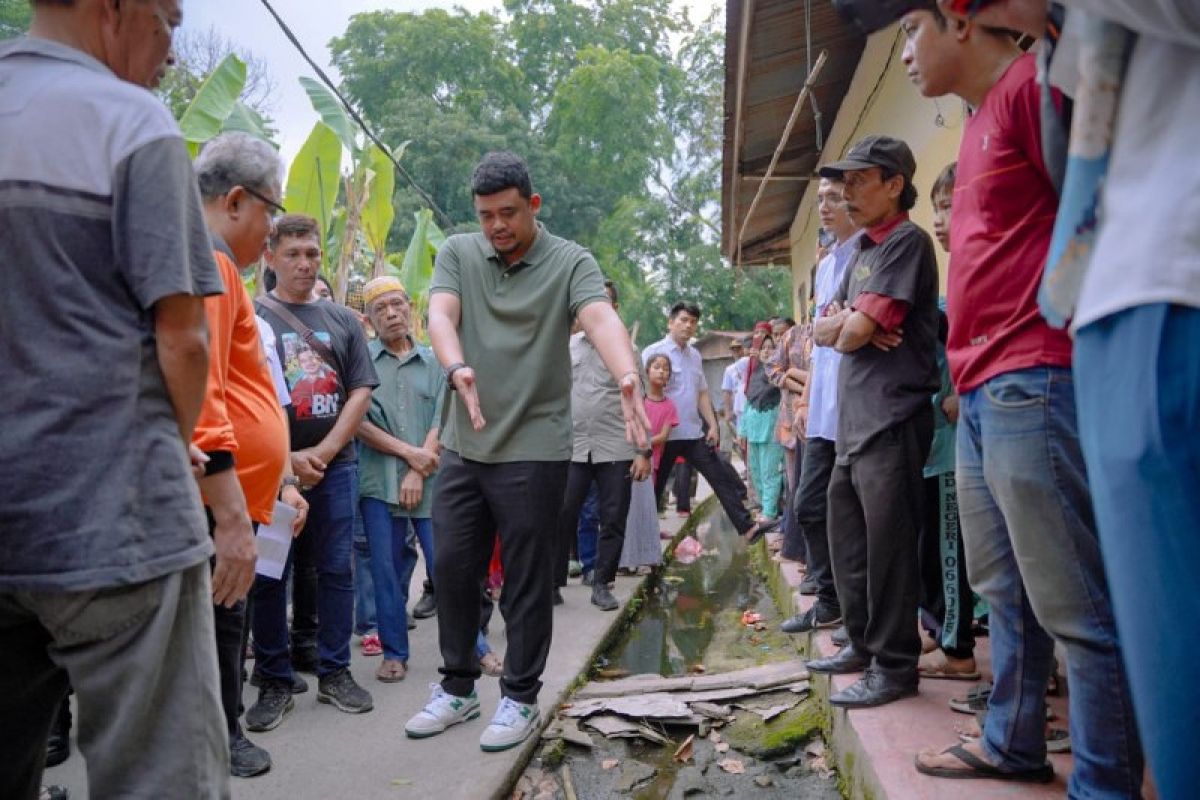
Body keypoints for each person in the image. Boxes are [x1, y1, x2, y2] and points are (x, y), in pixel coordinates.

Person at [901, 8, 1144, 791]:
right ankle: (1013, 739)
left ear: (963, 21)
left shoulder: (1032, 93)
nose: (906, 53)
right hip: (979, 386)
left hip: (1034, 372)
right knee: (1004, 586)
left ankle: (1104, 781)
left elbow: (1097, 215)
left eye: (912, 29)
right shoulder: (976, 122)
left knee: (1076, 602)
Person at [0, 2, 232, 797]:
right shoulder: (130, 123)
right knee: (161, 775)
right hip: (114, 517)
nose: (172, 47)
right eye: (166, 20)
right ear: (115, 9)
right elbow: (184, 337)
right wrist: (172, 442)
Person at [404, 151, 649, 752]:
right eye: (486, 215)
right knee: (454, 571)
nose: (496, 227)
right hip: (467, 442)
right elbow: (439, 313)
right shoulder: (461, 252)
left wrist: (625, 375)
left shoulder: (570, 262)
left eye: (508, 213)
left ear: (533, 205)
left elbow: (599, 317)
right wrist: (456, 364)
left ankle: (519, 697)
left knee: (527, 582)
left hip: (536, 449)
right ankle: (459, 687)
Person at [805, 135, 939, 710]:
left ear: (894, 184)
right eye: (846, 181)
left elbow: (854, 332)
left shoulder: (906, 243)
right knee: (849, 540)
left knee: (888, 549)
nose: (849, 191)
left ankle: (895, 665)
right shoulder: (860, 251)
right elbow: (822, 326)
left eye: (861, 180)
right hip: (853, 424)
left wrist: (852, 324)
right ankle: (860, 643)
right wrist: (846, 322)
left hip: (891, 417)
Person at [193, 132, 311, 778]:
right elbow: (204, 390)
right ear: (236, 201)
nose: (270, 229)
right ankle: (219, 740)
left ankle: (220, 734)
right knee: (216, 627)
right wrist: (233, 513)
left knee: (224, 622)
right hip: (220, 497)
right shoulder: (209, 264)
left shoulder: (218, 268)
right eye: (270, 210)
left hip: (237, 491)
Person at [248, 214, 379, 731]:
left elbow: (361, 391)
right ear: (270, 258)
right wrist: (287, 462)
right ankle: (275, 679)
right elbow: (252, 396)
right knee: (269, 573)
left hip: (336, 469)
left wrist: (323, 451)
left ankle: (335, 672)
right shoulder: (252, 317)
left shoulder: (343, 320)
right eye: (293, 254)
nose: (304, 264)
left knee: (335, 570)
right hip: (270, 472)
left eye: (312, 254)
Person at [778, 177, 861, 633]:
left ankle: (849, 606)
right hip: (823, 412)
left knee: (850, 515)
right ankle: (830, 598)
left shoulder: (868, 255)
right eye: (821, 200)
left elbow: (856, 330)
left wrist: (842, 325)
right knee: (809, 505)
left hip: (855, 411)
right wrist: (808, 398)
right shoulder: (829, 268)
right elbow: (821, 345)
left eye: (833, 198)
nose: (825, 209)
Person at [356, 276, 444, 683]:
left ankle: (473, 646)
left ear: (411, 307)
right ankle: (394, 652)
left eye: (396, 305)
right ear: (370, 320)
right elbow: (359, 423)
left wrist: (418, 464)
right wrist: (411, 456)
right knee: (385, 570)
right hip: (379, 481)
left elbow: (444, 416)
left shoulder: (434, 362)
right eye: (380, 309)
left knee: (447, 564)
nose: (391, 314)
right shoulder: (362, 364)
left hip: (430, 479)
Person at [913, 163, 977, 683]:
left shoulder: (975, 271)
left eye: (947, 206)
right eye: (935, 208)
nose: (938, 220)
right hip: (946, 442)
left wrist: (956, 389)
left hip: (957, 442)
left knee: (953, 548)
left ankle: (957, 648)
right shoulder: (952, 279)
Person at [555, 281, 652, 611]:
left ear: (614, 309)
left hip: (617, 448)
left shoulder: (629, 352)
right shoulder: (567, 348)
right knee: (562, 514)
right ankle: (552, 582)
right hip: (573, 446)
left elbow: (640, 402)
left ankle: (602, 583)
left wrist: (643, 451)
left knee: (613, 518)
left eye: (605, 303)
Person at [644, 303, 772, 544]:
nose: (688, 325)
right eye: (683, 320)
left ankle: (747, 528)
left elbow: (702, 393)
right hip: (664, 435)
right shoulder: (654, 352)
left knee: (720, 476)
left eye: (692, 321)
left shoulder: (694, 355)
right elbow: (642, 393)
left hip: (692, 433)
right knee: (653, 487)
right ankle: (645, 536)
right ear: (670, 323)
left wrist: (712, 424)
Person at [738, 335, 785, 522]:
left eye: (771, 348)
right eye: (764, 347)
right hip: (753, 431)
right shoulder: (756, 374)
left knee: (770, 472)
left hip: (771, 431)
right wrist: (742, 431)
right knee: (756, 472)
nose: (766, 351)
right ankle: (765, 507)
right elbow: (748, 403)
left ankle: (770, 511)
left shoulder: (779, 373)